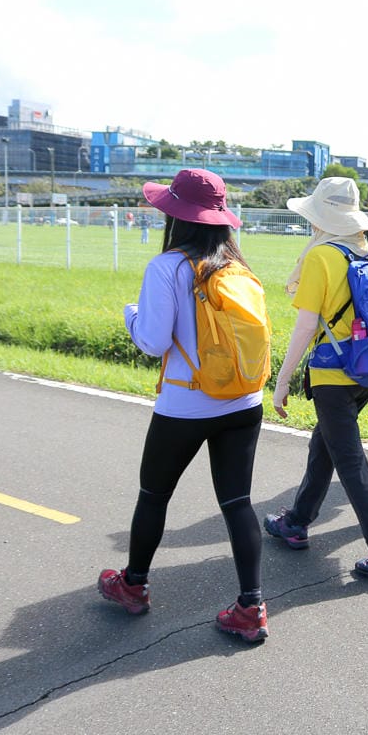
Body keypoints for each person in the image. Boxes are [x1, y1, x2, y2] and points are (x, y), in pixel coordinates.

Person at [97, 168, 270, 644]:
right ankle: (251, 607)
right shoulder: (240, 270)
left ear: (176, 216)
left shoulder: (167, 267)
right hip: (243, 399)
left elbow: (153, 342)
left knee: (154, 495)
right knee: (237, 502)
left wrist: (130, 317)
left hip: (185, 404)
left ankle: (133, 585)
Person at [266, 177, 368, 577]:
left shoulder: (321, 257)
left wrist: (282, 381)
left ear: (320, 216)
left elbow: (304, 327)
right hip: (364, 371)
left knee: (349, 460)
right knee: (325, 448)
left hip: (331, 372)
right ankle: (296, 521)